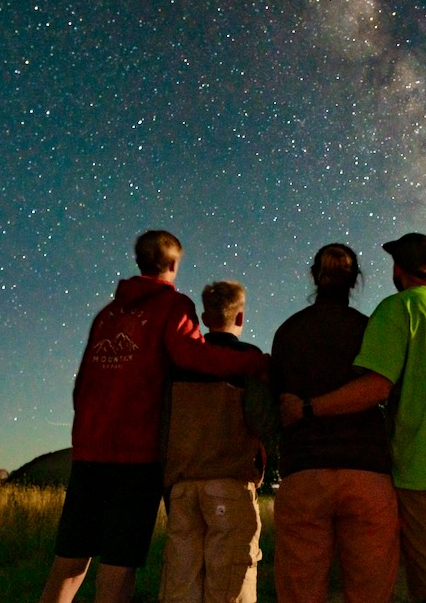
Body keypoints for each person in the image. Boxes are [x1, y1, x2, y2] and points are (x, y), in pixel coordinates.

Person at [280, 233, 426, 603]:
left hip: (425, 468)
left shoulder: (397, 309)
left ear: (398, 269)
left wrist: (308, 408)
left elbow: (376, 387)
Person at [39, 231, 269, 603]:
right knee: (118, 563)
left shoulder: (107, 315)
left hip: (89, 453)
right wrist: (256, 363)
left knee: (69, 560)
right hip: (137, 456)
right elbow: (193, 355)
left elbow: (82, 384)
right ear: (174, 265)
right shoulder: (172, 306)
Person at [270, 243, 399, 603]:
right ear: (354, 281)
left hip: (304, 473)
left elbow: (276, 402)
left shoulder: (288, 331)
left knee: (300, 593)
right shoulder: (371, 328)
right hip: (367, 473)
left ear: (314, 275)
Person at [160, 280, 269, 603]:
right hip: (229, 483)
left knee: (182, 583)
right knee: (230, 585)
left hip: (183, 486)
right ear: (240, 319)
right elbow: (262, 420)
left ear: (204, 319)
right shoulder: (249, 360)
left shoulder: (180, 363)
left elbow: (164, 423)